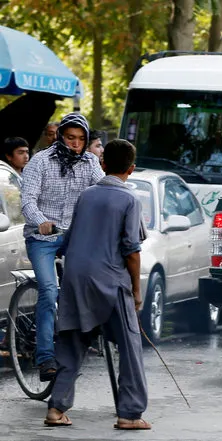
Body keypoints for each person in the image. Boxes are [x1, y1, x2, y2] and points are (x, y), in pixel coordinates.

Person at [44, 139, 150, 430]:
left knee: (73, 343)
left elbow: (68, 241)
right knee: (130, 345)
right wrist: (136, 293)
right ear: (132, 168)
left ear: (102, 164)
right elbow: (132, 250)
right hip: (109, 280)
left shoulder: (87, 195)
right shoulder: (130, 200)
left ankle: (56, 409)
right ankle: (129, 413)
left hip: (75, 276)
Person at [21, 112, 105, 381]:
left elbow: (103, 190)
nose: (76, 144)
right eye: (70, 138)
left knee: (87, 282)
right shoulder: (40, 161)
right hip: (42, 238)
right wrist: (41, 221)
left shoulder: (91, 162)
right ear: (60, 136)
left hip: (74, 237)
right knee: (48, 290)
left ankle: (82, 339)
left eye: (81, 139)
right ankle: (45, 357)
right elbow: (27, 201)